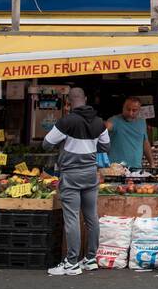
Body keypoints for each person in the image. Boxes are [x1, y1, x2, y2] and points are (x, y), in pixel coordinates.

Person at [42, 86, 109, 276]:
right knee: (91, 217)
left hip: (71, 174)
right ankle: (90, 259)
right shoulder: (99, 122)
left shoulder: (66, 122)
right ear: (86, 98)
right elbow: (106, 146)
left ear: (68, 102)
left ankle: (71, 263)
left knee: (71, 218)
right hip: (90, 174)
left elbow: (46, 144)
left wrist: (65, 139)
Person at [106, 97, 158, 171]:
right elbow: (105, 127)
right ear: (123, 108)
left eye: (134, 110)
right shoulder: (114, 120)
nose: (130, 113)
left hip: (136, 169)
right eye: (128, 109)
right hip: (116, 170)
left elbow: (145, 143)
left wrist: (152, 163)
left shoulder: (142, 122)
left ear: (139, 110)